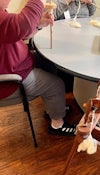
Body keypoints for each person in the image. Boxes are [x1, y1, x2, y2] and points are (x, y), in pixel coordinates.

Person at [0, 0, 76, 136]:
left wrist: (39, 25)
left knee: (48, 63)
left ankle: (53, 107)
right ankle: (57, 125)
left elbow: (20, 34)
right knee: (56, 85)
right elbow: (23, 25)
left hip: (18, 63)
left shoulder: (2, 12)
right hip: (10, 78)